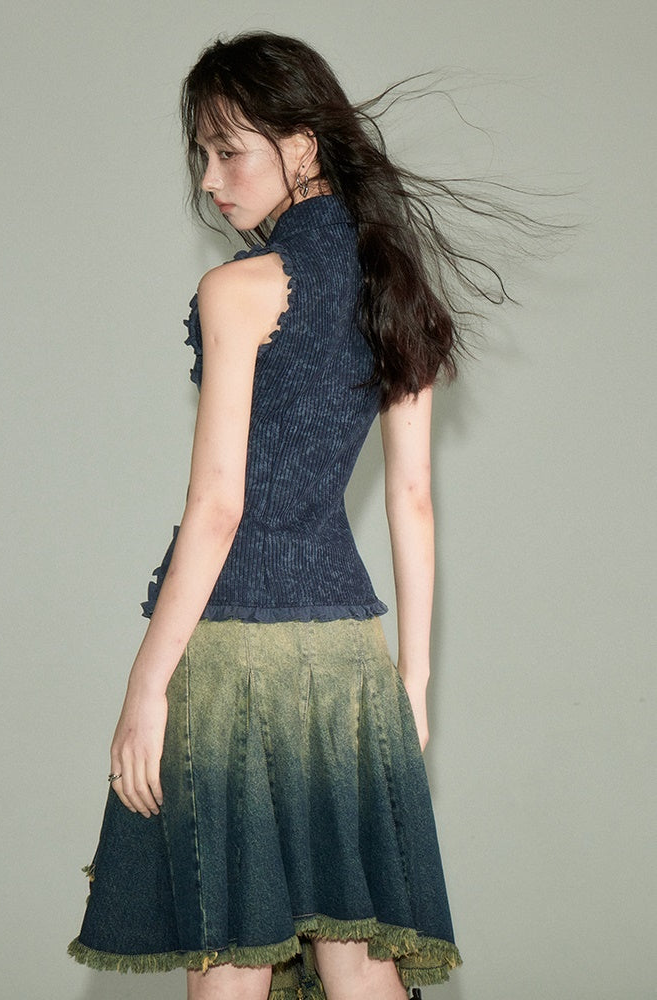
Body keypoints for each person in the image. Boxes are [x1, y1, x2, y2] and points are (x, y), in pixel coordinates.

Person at [65, 29, 533, 999]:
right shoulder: (396, 286)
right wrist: (413, 682)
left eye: (228, 151)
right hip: (350, 659)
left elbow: (218, 506)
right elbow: (412, 498)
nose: (209, 180)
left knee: (233, 955)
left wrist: (146, 686)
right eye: (200, 154)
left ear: (304, 144)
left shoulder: (238, 290)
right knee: (359, 959)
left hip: (235, 651)